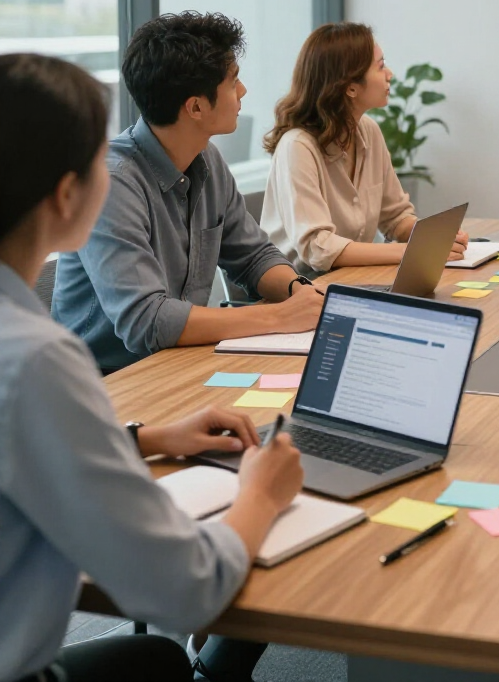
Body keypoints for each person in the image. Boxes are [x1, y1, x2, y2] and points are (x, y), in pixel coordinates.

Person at [0, 53, 303, 682]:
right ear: (66, 195)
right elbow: (188, 588)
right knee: (160, 658)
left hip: (139, 411)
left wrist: (147, 438)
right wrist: (259, 496)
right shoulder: (34, 359)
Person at [52, 12, 324, 374]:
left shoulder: (205, 157)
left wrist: (298, 292)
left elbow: (253, 255)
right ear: (195, 107)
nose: (242, 92)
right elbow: (148, 321)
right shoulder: (112, 184)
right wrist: (278, 316)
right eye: (233, 81)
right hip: (108, 384)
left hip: (179, 363)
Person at [261, 23, 467, 275]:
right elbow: (317, 248)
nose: (389, 74)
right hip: (300, 289)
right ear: (350, 87)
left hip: (351, 280)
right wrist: (413, 250)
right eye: (380, 66)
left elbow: (396, 218)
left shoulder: (368, 130)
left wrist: (432, 237)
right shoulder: (297, 147)